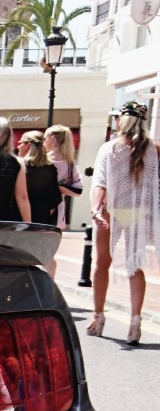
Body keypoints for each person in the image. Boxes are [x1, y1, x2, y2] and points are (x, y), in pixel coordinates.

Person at [87, 100, 156, 345]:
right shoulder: (153, 151)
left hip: (109, 211)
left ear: (122, 120)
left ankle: (98, 318)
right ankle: (135, 322)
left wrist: (96, 209)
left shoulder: (110, 148)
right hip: (136, 212)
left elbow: (100, 184)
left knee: (101, 263)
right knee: (134, 267)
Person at [18, 131, 62, 227]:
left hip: (18, 217)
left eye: (20, 143)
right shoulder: (50, 168)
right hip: (41, 220)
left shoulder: (18, 166)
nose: (18, 146)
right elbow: (55, 198)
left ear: (28, 145)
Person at [44, 124, 83, 231]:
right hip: (57, 207)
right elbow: (78, 189)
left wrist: (55, 187)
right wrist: (60, 188)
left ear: (52, 138)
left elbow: (78, 190)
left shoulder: (42, 160)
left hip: (43, 206)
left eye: (45, 138)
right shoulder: (70, 164)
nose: (44, 142)